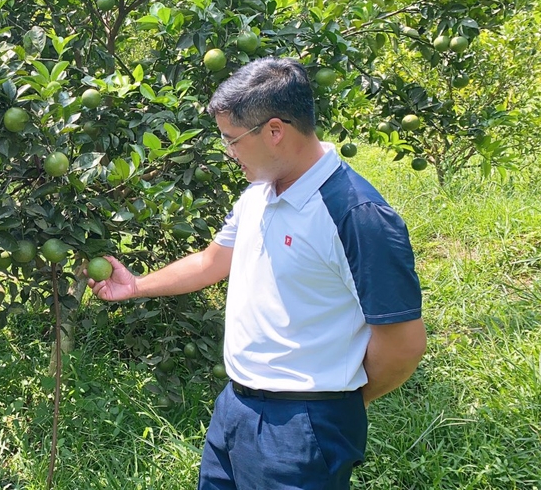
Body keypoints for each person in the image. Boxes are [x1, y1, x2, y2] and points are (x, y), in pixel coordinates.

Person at [88, 57, 426, 489]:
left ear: (274, 131)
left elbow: (403, 344)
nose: (229, 153)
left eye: (232, 140)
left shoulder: (356, 216)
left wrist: (336, 403)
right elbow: (214, 261)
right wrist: (136, 286)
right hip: (236, 406)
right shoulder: (260, 192)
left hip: (303, 426)